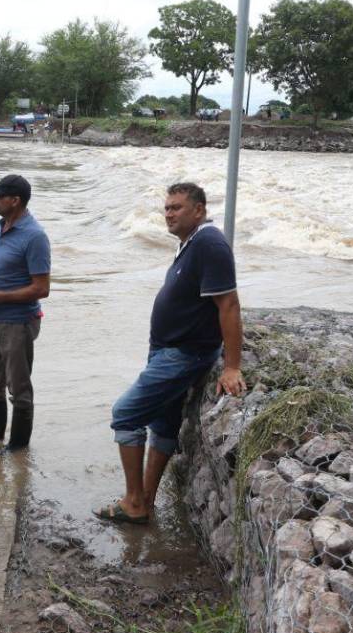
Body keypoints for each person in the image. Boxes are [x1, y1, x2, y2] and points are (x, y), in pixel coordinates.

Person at [94, 182, 246, 525]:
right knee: (162, 424)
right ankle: (145, 501)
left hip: (184, 354)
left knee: (125, 414)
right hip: (169, 350)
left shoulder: (209, 242)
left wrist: (232, 366)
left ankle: (133, 502)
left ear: (199, 210)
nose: (169, 214)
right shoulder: (191, 243)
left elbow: (229, 304)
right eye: (166, 208)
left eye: (177, 207)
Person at [0, 174, 51, 451]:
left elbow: (41, 288)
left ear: (15, 201)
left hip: (17, 323)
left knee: (18, 388)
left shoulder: (35, 236)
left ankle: (18, 450)